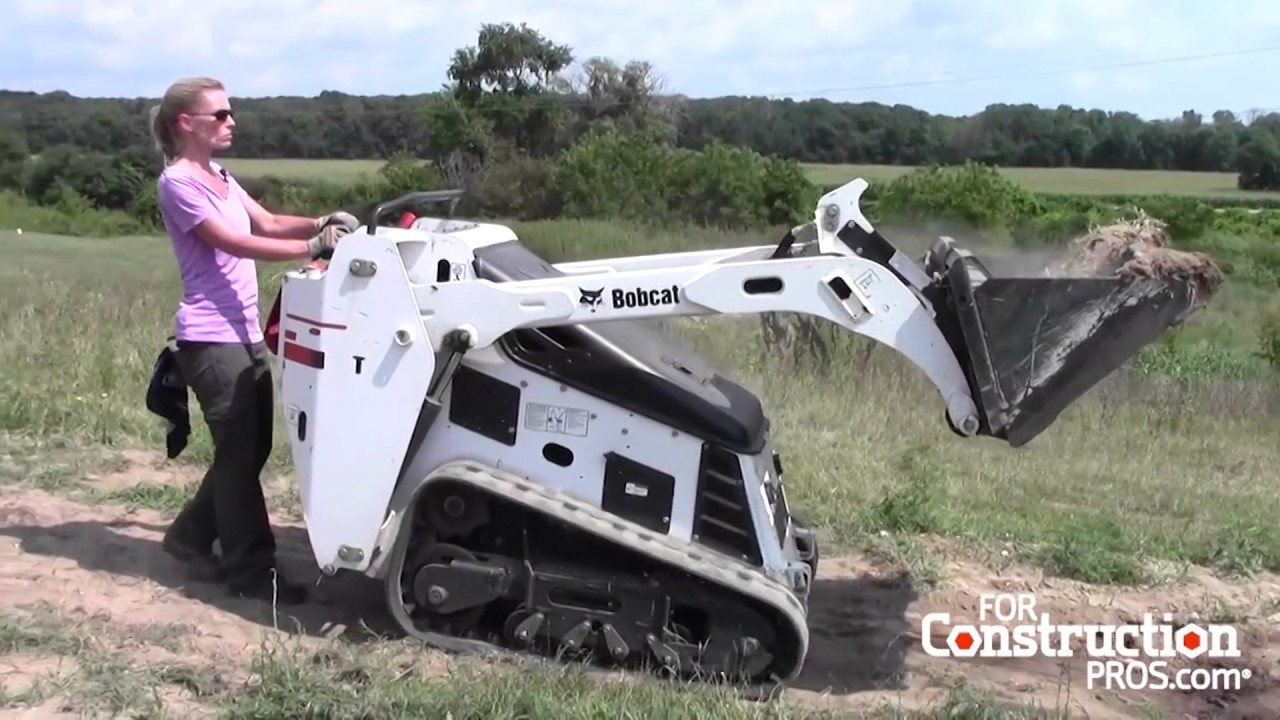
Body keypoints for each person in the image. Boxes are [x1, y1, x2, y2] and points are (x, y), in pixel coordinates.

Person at [148, 76, 357, 605]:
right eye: (219, 114)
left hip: (242, 332)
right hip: (209, 338)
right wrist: (314, 246)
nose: (231, 121)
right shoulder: (178, 183)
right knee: (240, 453)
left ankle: (190, 536)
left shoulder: (220, 176)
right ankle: (249, 571)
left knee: (249, 448)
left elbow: (266, 221)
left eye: (230, 112)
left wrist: (321, 221)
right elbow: (233, 242)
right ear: (186, 123)